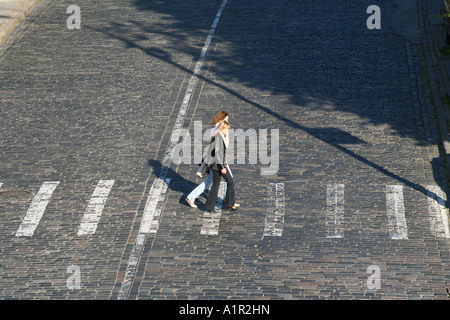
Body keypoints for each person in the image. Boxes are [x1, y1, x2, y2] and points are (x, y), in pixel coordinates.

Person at [185, 111, 229, 208]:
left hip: (215, 158)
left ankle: (229, 201)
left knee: (211, 181)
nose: (228, 122)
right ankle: (229, 202)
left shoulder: (217, 129)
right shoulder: (218, 130)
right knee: (226, 180)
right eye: (226, 120)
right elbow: (225, 145)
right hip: (216, 160)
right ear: (222, 119)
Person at [204, 120, 238, 212]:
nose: (227, 131)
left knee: (215, 185)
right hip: (219, 165)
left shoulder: (217, 135)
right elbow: (218, 154)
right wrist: (222, 167)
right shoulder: (218, 137)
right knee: (230, 181)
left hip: (216, 165)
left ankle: (209, 206)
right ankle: (229, 204)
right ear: (222, 128)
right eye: (227, 129)